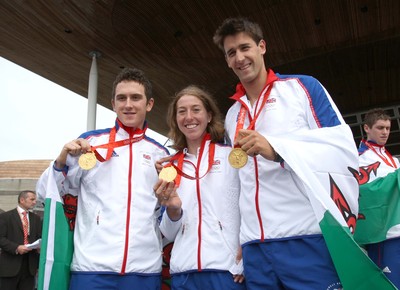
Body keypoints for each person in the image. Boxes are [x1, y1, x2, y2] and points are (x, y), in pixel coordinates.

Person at [212, 17, 360, 289]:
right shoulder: (233, 114)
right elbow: (235, 184)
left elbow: (342, 148)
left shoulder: (303, 88)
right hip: (255, 247)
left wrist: (278, 149)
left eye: (245, 47)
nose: (240, 57)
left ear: (262, 47)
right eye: (231, 53)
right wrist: (238, 241)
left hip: (305, 236)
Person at [36, 67, 170, 290]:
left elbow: (167, 213)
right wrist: (60, 162)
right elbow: (45, 193)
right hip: (92, 269)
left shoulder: (161, 156)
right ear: (113, 103)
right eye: (122, 98)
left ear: (149, 104)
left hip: (144, 271)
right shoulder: (89, 143)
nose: (128, 104)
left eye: (136, 98)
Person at [153, 85, 246, 290]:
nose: (189, 117)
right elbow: (167, 232)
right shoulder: (171, 168)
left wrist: (248, 251)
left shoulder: (232, 157)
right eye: (182, 111)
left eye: (196, 110)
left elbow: (251, 207)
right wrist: (173, 210)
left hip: (226, 270)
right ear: (175, 119)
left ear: (209, 115)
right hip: (184, 273)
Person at [356, 108, 400, 287]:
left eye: (388, 128)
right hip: (382, 237)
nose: (385, 132)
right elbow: (363, 194)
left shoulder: (394, 160)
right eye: (380, 128)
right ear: (367, 128)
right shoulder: (358, 159)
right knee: (390, 285)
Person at [0, 190, 42, 290]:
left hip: (29, 267)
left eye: (35, 199)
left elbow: (39, 237)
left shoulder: (36, 218)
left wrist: (39, 246)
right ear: (22, 200)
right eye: (32, 199)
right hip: (10, 265)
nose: (34, 202)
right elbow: (1, 238)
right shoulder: (6, 217)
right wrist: (17, 247)